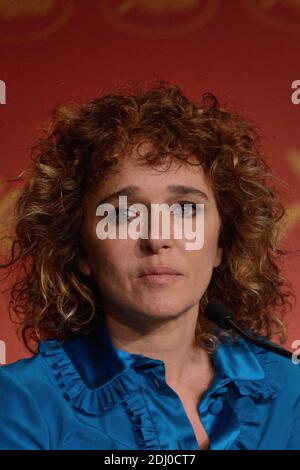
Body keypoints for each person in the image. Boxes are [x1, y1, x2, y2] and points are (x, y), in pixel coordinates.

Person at [0, 81, 299, 450]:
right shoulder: (18, 403)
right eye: (125, 214)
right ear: (79, 250)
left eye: (185, 210)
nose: (157, 239)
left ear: (222, 243)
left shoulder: (290, 392)